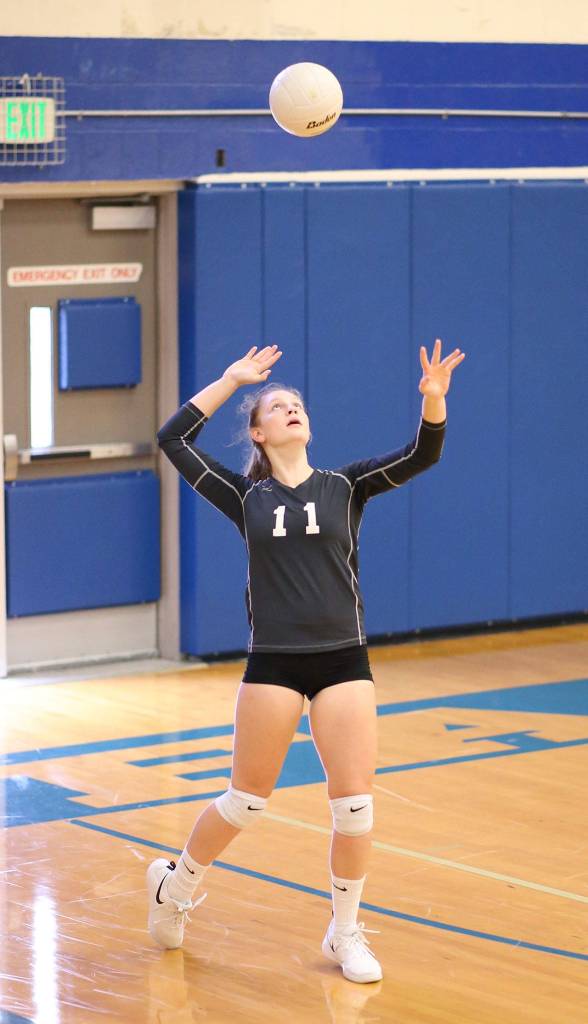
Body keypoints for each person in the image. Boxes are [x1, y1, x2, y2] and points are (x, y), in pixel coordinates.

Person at [149, 338, 465, 983]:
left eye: (298, 404)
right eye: (278, 406)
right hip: (275, 663)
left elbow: (422, 453)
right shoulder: (245, 499)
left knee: (356, 808)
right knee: (246, 801)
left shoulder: (346, 485)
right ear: (260, 432)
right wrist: (233, 382)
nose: (291, 409)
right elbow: (174, 439)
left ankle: (344, 933)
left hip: (344, 659)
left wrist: (433, 402)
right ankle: (175, 889)